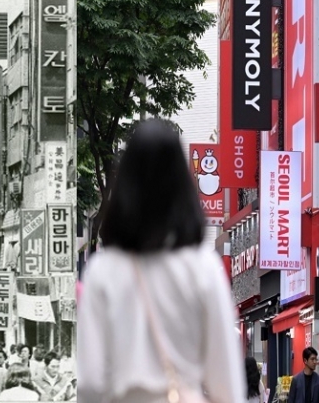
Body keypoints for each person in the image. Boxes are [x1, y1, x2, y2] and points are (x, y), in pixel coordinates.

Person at [77, 118, 245, 403]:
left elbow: (90, 381)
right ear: (182, 184)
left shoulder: (102, 272)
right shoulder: (203, 267)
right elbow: (226, 384)